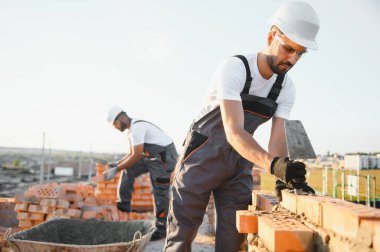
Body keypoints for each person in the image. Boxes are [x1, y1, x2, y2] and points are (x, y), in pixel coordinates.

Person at [164, 1, 320, 251]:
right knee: (182, 232)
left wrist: (284, 173)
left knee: (234, 237)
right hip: (202, 157)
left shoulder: (285, 88)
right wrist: (272, 164)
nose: (292, 59)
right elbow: (233, 131)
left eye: (300, 53)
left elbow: (277, 139)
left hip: (239, 164)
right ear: (271, 36)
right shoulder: (236, 68)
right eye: (288, 48)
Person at [104, 106, 178, 241]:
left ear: (121, 118)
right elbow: (132, 154)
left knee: (160, 191)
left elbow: (136, 156)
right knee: (129, 169)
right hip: (152, 157)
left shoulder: (137, 128)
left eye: (115, 124)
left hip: (164, 157)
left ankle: (161, 229)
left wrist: (116, 169)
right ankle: (123, 204)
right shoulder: (132, 130)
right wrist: (116, 165)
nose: (115, 127)